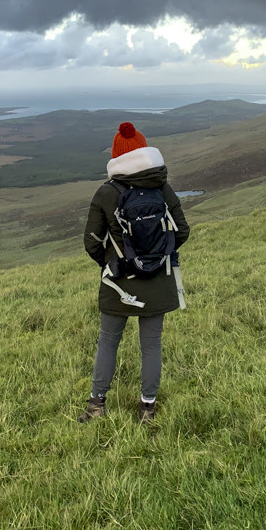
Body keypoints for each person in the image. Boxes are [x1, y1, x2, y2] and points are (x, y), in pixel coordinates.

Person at [78, 122, 189, 423]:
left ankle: (97, 406)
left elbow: (91, 240)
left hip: (118, 283)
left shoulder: (106, 192)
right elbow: (181, 231)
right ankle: (147, 408)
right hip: (159, 280)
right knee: (151, 344)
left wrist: (112, 263)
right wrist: (157, 256)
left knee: (108, 341)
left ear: (116, 157)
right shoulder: (161, 187)